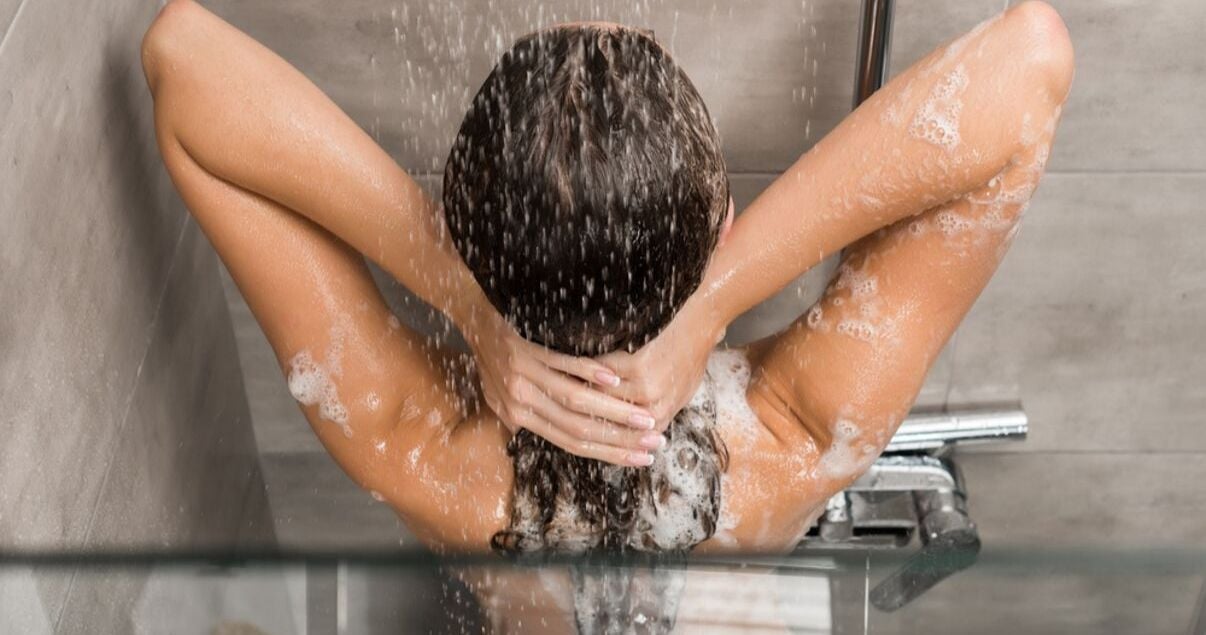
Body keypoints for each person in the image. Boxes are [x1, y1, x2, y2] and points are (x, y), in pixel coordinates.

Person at [140, 0, 1073, 558]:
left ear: (468, 237)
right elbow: (1032, 58)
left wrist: (462, 290)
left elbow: (184, 60)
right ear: (725, 225)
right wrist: (716, 296)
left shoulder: (423, 448)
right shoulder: (798, 429)